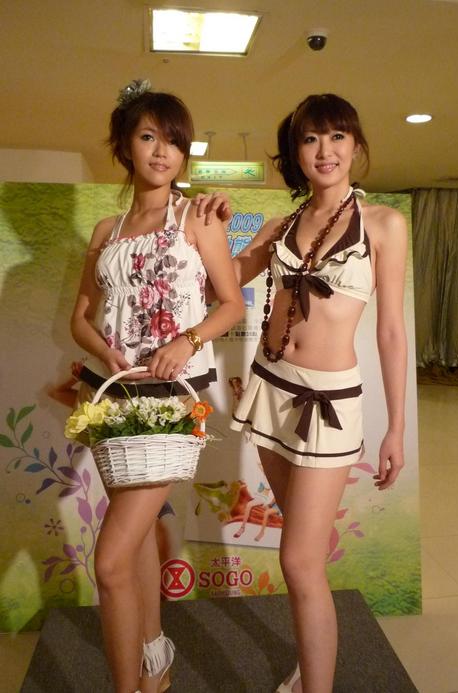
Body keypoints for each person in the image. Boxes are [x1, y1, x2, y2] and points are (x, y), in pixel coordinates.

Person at [228, 94, 407, 692]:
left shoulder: (383, 224)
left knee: (300, 561)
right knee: (298, 553)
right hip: (270, 388)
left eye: (336, 136)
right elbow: (222, 281)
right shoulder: (281, 226)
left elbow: (390, 331)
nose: (324, 151)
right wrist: (203, 223)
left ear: (355, 144)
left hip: (327, 405)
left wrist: (396, 428)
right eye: (310, 139)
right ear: (295, 151)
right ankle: (311, 667)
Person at [70, 79, 244, 693]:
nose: (163, 151)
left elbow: (231, 304)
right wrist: (105, 351)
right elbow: (80, 319)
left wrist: (187, 341)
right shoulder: (106, 230)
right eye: (149, 137)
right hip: (113, 398)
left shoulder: (197, 218)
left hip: (170, 401)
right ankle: (154, 665)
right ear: (125, 146)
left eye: (174, 140)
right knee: (137, 539)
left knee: (111, 561)